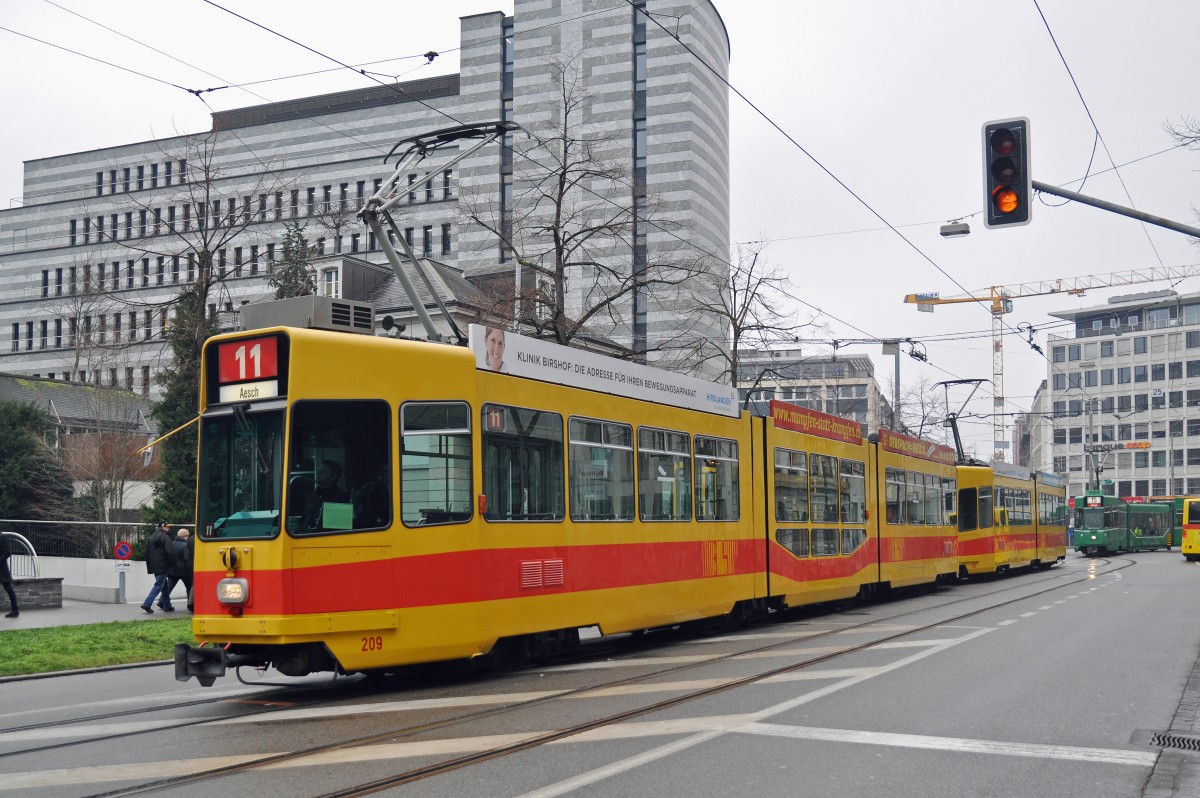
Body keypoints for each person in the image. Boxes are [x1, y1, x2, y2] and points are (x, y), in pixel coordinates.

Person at [302, 460, 349, 529]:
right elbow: (305, 517)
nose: (318, 473)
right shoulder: (312, 495)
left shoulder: (341, 497)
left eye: (323, 472)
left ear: (333, 477)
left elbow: (339, 528)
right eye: (319, 471)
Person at [140, 523, 175, 613]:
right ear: (162, 527)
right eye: (167, 527)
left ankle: (167, 605)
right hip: (163, 565)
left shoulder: (151, 537)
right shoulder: (165, 537)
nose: (168, 528)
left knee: (164, 586)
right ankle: (147, 603)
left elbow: (147, 553)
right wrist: (172, 564)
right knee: (159, 585)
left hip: (155, 565)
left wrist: (149, 567)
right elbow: (170, 552)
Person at [168, 528, 195, 613]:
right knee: (189, 587)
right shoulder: (184, 545)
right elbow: (186, 558)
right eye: (187, 536)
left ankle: (162, 601)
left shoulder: (172, 543)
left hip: (172, 570)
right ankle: (190, 603)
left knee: (169, 587)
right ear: (185, 536)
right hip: (183, 571)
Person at [0, 532, 18, 618]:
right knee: (9, 589)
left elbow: (7, 552)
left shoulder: (2, 537)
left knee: (9, 589)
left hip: (2, 569)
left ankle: (15, 610)